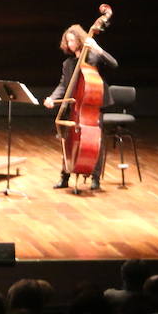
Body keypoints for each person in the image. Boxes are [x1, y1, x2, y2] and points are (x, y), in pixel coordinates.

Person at [43, 24, 117, 190]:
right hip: (75, 107)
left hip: (93, 105)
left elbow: (114, 64)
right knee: (67, 139)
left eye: (72, 40)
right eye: (67, 41)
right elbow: (63, 85)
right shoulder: (68, 64)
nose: (70, 43)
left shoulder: (93, 57)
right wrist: (52, 98)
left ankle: (95, 178)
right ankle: (65, 175)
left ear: (80, 39)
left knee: (95, 141)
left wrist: (98, 49)